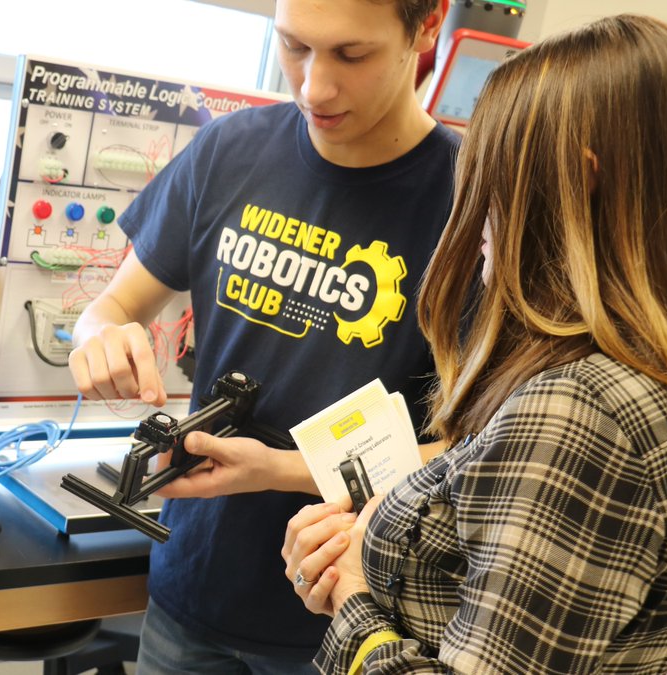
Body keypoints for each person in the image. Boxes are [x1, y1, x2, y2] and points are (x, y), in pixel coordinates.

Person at [283, 14, 667, 674]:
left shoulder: (580, 415)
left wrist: (353, 602)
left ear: (576, 179)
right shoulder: (638, 375)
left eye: (491, 172)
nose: (473, 210)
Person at [68, 0, 459, 669]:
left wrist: (278, 470)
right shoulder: (231, 148)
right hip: (191, 590)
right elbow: (111, 305)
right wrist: (99, 335)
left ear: (427, 26)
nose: (313, 86)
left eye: (351, 55)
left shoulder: (472, 198)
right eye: (294, 46)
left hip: (348, 615)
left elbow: (476, 455)